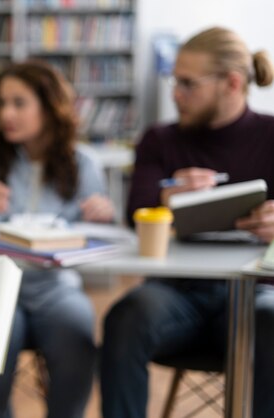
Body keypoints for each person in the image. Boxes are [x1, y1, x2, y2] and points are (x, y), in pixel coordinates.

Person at [101, 26, 274, 418]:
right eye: (174, 81)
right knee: (127, 316)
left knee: (271, 319)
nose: (175, 93)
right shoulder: (160, 140)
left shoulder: (271, 135)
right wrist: (166, 196)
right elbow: (135, 210)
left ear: (231, 83)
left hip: (256, 290)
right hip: (177, 293)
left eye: (187, 83)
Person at [0, 60, 115, 418]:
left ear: (49, 107)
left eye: (18, 103)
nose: (6, 114)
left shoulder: (84, 163)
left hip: (57, 287)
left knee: (78, 328)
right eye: (1, 103)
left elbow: (101, 237)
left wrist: (104, 215)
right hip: (0, 285)